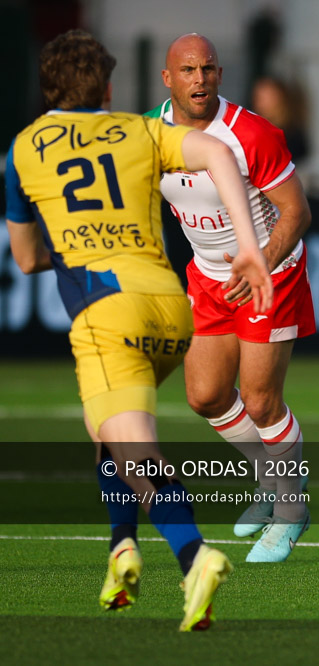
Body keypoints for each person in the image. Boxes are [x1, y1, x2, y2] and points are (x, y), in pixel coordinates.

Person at [4, 30, 273, 630]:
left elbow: (25, 257)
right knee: (103, 430)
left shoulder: (23, 148)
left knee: (133, 450)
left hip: (110, 313)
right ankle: (121, 550)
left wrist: (73, 244)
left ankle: (193, 556)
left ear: (45, 89)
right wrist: (249, 248)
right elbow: (219, 154)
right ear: (106, 87)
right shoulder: (139, 129)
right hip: (172, 307)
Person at [146, 33, 313, 563]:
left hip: (270, 271)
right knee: (206, 396)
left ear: (221, 74)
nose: (201, 79)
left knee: (261, 399)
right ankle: (273, 474)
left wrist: (261, 257)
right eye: (189, 71)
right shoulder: (149, 133)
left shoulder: (251, 134)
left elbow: (297, 211)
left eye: (210, 69)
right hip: (207, 275)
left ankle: (291, 510)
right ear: (168, 79)